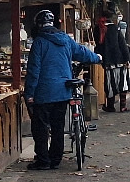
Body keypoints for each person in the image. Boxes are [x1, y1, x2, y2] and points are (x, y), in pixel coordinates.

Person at [24, 9, 100, 170]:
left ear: (38, 25)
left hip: (43, 92)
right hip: (63, 90)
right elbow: (82, 53)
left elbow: (34, 70)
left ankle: (43, 161)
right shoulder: (65, 39)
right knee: (58, 126)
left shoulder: (39, 42)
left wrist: (29, 92)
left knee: (41, 127)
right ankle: (56, 159)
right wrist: (97, 57)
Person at [96, 18, 130, 113]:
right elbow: (122, 44)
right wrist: (127, 59)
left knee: (110, 84)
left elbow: (98, 46)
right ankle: (123, 106)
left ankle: (110, 106)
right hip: (120, 60)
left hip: (108, 61)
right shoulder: (116, 29)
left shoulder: (98, 29)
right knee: (122, 83)